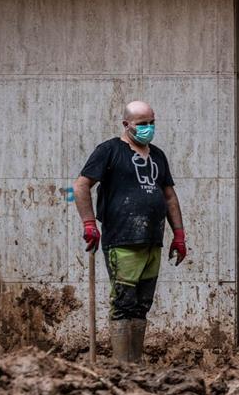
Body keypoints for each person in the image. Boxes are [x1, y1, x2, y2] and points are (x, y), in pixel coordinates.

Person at [74, 100, 187, 363]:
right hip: (122, 241)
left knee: (141, 306)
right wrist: (89, 223)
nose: (148, 128)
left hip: (152, 241)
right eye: (141, 124)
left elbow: (169, 197)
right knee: (124, 304)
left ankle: (135, 367)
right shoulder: (110, 150)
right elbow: (81, 186)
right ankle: (122, 369)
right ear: (126, 125)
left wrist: (179, 235)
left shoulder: (158, 155)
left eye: (151, 123)